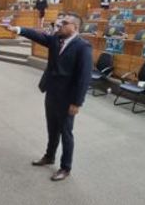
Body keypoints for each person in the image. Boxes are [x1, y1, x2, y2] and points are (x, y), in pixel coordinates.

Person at [5, 13, 92, 181]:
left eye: (64, 23)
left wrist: (77, 102)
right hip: (52, 93)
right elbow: (37, 35)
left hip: (68, 98)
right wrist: (17, 29)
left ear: (75, 27)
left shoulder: (83, 47)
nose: (59, 25)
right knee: (52, 128)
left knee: (66, 132)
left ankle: (65, 167)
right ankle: (49, 156)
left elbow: (84, 78)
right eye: (60, 22)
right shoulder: (56, 40)